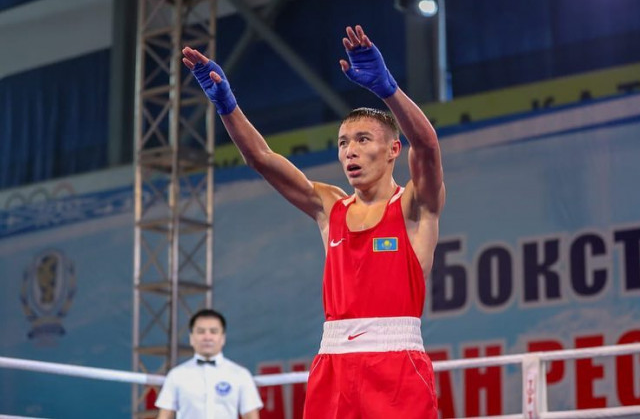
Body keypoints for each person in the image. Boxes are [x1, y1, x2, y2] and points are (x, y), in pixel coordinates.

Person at [182, 24, 445, 418]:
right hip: (334, 364)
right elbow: (261, 159)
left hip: (397, 364)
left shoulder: (414, 205)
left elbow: (426, 145)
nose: (350, 151)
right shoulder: (329, 206)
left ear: (393, 149)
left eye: (362, 139)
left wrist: (388, 89)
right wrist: (227, 106)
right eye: (343, 142)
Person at [155, 309, 263, 419]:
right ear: (191, 338)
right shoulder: (176, 375)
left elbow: (251, 416)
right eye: (201, 332)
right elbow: (164, 416)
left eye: (213, 331)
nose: (207, 337)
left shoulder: (241, 375)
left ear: (223, 338)